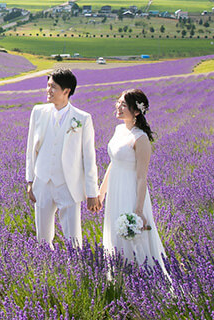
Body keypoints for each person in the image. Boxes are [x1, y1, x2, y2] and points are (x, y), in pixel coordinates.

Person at [24, 69, 99, 248]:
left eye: (53, 87)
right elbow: (30, 149)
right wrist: (30, 181)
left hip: (69, 184)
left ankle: (76, 268)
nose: (48, 90)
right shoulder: (38, 112)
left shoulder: (82, 119)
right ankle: (45, 268)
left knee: (73, 238)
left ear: (66, 91)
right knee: (42, 238)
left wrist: (92, 193)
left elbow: (89, 158)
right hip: (42, 181)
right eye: (48, 85)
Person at [95, 88, 166, 273]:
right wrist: (101, 193)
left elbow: (142, 177)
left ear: (136, 111)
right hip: (115, 191)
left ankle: (145, 280)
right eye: (118, 102)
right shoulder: (119, 130)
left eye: (124, 104)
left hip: (130, 192)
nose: (118, 107)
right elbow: (113, 163)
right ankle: (119, 278)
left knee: (133, 237)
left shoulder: (140, 138)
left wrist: (139, 210)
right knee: (115, 234)